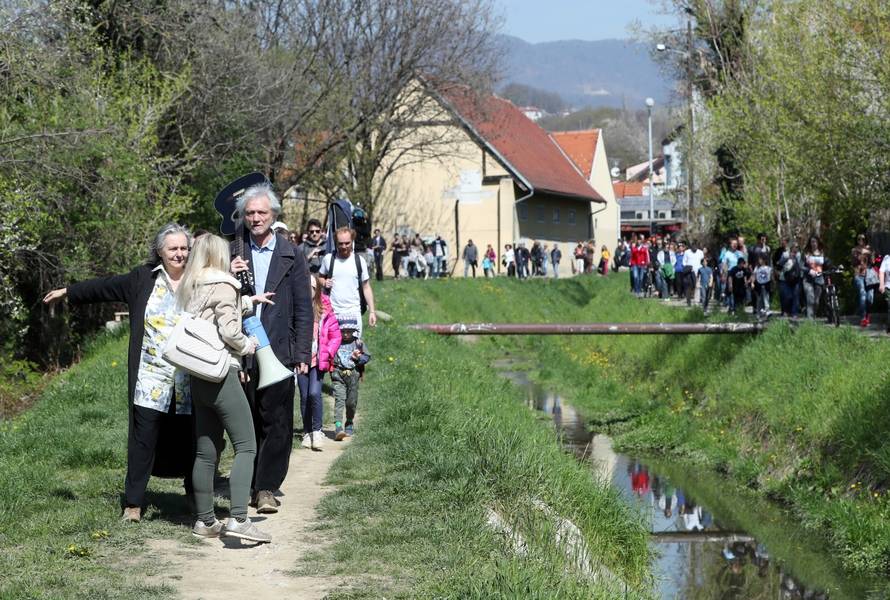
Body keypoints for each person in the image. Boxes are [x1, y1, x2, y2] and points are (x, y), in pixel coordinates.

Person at [43, 223, 197, 522]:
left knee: (190, 438)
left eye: (184, 248)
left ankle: (194, 495)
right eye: (173, 248)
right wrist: (68, 292)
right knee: (143, 438)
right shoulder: (142, 279)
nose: (180, 254)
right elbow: (105, 286)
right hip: (150, 376)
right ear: (160, 252)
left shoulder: (200, 280)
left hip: (189, 377)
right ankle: (134, 504)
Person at [177, 234, 271, 543]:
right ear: (219, 255)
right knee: (246, 445)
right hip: (222, 373)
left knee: (206, 451)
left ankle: (205, 521)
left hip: (197, 375)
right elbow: (230, 331)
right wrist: (249, 345)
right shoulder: (225, 284)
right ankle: (240, 519)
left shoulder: (190, 285)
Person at [230, 184, 313, 514]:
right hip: (243, 349)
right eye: (250, 212)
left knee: (277, 422)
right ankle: (249, 483)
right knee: (248, 419)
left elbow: (304, 308)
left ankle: (265, 488)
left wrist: (303, 353)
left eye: (262, 212)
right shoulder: (233, 252)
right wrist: (227, 275)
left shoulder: (292, 255)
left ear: (274, 215)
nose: (255, 218)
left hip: (280, 349)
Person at [299, 275, 342, 451]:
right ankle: (307, 431)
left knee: (314, 393)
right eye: (306, 286)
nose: (309, 289)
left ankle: (317, 431)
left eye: (313, 286)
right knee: (303, 396)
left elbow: (336, 335)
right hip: (301, 359)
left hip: (318, 359)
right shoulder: (297, 306)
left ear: (317, 289)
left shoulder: (324, 307)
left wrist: (327, 352)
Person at [330, 318, 370, 440]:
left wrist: (358, 358)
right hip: (338, 375)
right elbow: (329, 354)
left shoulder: (358, 343)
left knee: (351, 402)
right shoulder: (336, 342)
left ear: (353, 331)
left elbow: (367, 357)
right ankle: (338, 427)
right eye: (343, 331)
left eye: (349, 331)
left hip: (353, 376)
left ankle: (349, 422)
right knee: (339, 400)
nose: (346, 334)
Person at [852, 234, 875, 327]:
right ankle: (863, 318)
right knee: (863, 295)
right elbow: (855, 262)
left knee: (870, 298)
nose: (861, 240)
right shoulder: (854, 250)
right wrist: (862, 252)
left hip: (869, 276)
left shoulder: (870, 249)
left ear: (866, 240)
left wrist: (870, 252)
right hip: (858, 275)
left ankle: (867, 314)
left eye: (863, 239)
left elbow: (873, 262)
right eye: (859, 239)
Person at [777, 243, 803, 318]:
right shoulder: (785, 255)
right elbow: (779, 265)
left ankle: (794, 313)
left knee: (796, 296)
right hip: (785, 278)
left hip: (796, 278)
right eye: (795, 247)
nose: (796, 248)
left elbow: (801, 266)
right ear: (791, 248)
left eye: (797, 247)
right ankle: (785, 311)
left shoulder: (799, 255)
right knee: (787, 296)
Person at [803, 236, 825, 319]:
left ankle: (813, 315)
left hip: (819, 279)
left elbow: (826, 263)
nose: (814, 243)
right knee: (810, 299)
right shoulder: (806, 253)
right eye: (812, 242)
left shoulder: (822, 252)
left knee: (816, 301)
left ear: (818, 243)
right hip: (808, 279)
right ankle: (810, 322)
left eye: (815, 242)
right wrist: (809, 270)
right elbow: (801, 266)